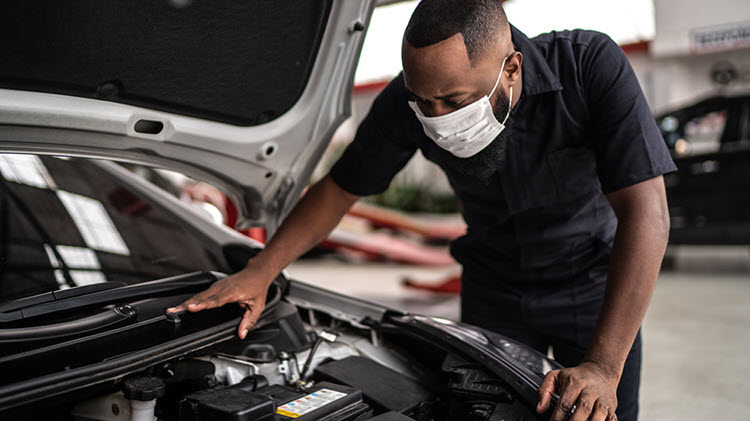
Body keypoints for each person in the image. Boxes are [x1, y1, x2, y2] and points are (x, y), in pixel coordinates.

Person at [168, 1, 675, 420]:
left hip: (591, 288)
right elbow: (340, 189)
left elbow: (646, 212)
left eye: (454, 101)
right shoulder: (408, 101)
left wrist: (605, 367)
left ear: (511, 69)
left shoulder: (589, 67)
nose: (437, 119)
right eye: (423, 103)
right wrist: (260, 270)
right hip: (492, 291)